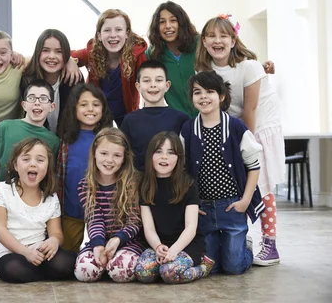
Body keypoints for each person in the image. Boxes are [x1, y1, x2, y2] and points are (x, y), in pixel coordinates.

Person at [196, 14, 284, 266]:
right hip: (233, 126)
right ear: (203, 41)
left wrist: (245, 145)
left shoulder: (249, 66)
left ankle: (270, 243)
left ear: (234, 40)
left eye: (224, 35)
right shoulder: (204, 69)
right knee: (237, 183)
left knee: (261, 182)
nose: (217, 40)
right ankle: (242, 236)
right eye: (211, 36)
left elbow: (251, 109)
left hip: (259, 125)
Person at [180, 71, 264, 275]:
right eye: (197, 92)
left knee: (234, 267)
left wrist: (244, 201)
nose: (203, 97)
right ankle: (222, 248)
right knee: (212, 268)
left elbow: (253, 166)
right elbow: (180, 170)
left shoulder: (236, 128)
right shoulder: (188, 129)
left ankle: (246, 247)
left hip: (232, 206)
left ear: (222, 96)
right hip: (203, 209)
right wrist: (189, 203)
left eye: (210, 91)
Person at [146, 1, 276, 117]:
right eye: (162, 22)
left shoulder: (199, 43)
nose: (168, 26)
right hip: (178, 118)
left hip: (208, 115)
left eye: (173, 20)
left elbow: (228, 54)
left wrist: (260, 66)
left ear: (181, 23)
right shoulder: (154, 53)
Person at [0, 138, 76, 283]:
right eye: (26, 159)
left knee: (66, 263)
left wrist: (54, 241)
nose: (33, 164)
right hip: (7, 253)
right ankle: (45, 272)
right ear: (16, 165)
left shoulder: (50, 197)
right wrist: (25, 252)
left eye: (40, 160)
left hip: (38, 251)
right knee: (15, 269)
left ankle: (41, 270)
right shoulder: (1, 189)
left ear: (47, 167)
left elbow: (56, 233)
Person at [134, 131, 214, 284]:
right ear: (150, 156)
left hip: (186, 244)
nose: (164, 157)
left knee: (169, 274)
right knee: (143, 273)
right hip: (159, 243)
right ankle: (165, 263)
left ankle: (203, 267)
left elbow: (191, 227)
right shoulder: (145, 186)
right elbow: (149, 228)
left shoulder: (188, 184)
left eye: (171, 153)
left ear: (178, 158)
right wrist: (157, 246)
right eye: (158, 151)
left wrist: (175, 250)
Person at [74, 128, 143, 282]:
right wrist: (98, 245)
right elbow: (94, 219)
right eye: (104, 153)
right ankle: (104, 264)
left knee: (120, 271)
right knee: (84, 272)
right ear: (94, 154)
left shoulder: (133, 183)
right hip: (101, 239)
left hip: (128, 241)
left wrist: (118, 239)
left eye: (117, 155)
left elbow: (135, 220)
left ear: (124, 158)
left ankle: (112, 265)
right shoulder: (85, 185)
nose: (109, 160)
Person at [55, 83, 113, 252]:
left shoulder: (110, 138)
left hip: (105, 215)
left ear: (103, 109)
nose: (90, 109)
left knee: (105, 256)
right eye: (84, 104)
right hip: (71, 212)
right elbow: (60, 177)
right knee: (65, 260)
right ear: (74, 108)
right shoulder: (65, 141)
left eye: (96, 105)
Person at [68, 9, 147, 126]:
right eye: (107, 30)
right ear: (99, 36)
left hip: (126, 114)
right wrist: (69, 60)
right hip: (98, 114)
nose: (113, 35)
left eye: (118, 30)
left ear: (127, 34)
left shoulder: (137, 56)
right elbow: (63, 54)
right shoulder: (92, 53)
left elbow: (149, 80)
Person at [120, 59, 189, 172]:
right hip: (140, 184)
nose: (153, 85)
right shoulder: (130, 120)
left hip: (174, 184)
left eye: (158, 80)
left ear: (167, 85)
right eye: (147, 80)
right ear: (138, 86)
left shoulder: (181, 119)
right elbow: (125, 157)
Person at [0, 79, 59, 181]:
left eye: (43, 99)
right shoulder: (5, 127)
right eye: (32, 98)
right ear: (24, 105)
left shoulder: (53, 140)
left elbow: (48, 174)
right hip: (3, 192)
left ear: (52, 106)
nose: (37, 102)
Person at [19, 29, 83, 132]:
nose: (52, 56)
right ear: (38, 52)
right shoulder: (27, 80)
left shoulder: (74, 78)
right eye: (45, 50)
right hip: (35, 140)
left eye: (59, 51)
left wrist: (70, 60)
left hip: (67, 141)